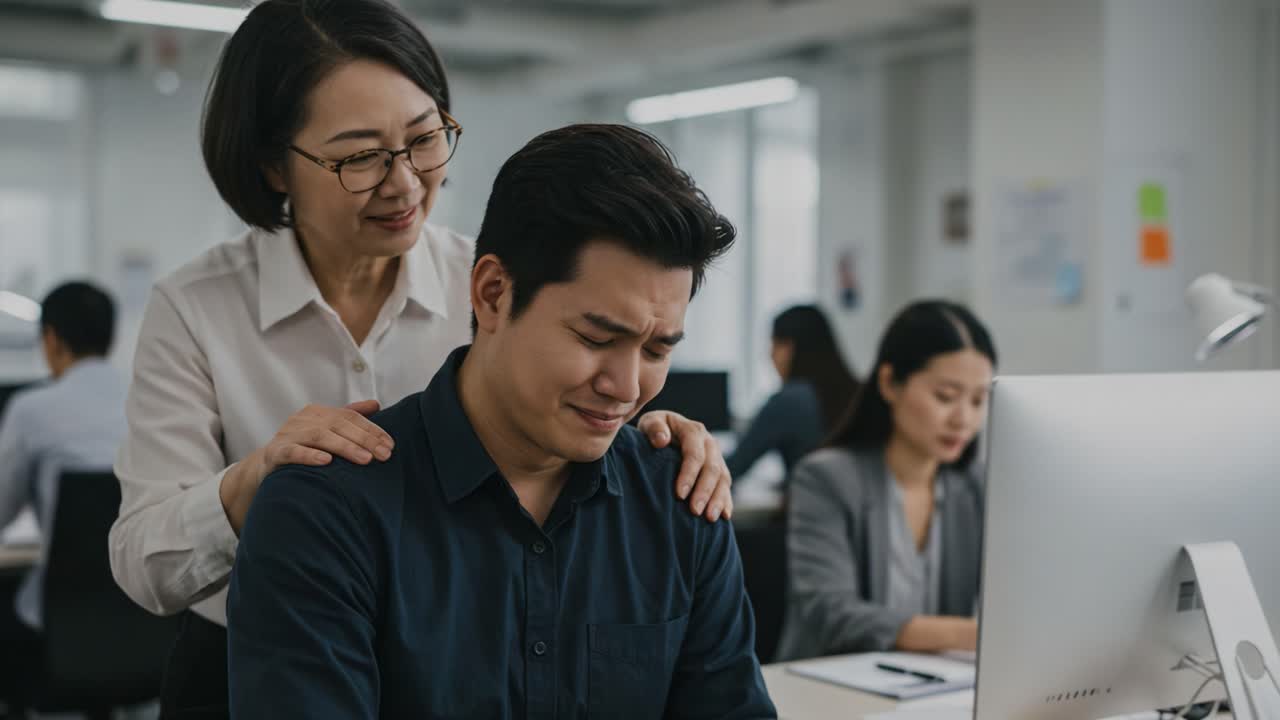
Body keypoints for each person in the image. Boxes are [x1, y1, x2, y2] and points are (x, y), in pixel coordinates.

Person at [107, 2, 733, 716]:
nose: (405, 183)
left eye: (424, 139)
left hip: (464, 661)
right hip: (255, 664)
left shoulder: (501, 283)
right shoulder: (197, 307)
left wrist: (650, 446)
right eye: (360, 157)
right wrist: (259, 481)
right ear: (273, 165)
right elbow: (144, 564)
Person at [226, 124, 776, 718]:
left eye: (657, 350)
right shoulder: (325, 512)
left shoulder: (680, 500)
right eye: (596, 338)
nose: (626, 388)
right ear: (492, 294)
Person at [776, 300, 996, 660]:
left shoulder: (974, 485)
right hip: (831, 678)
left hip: (932, 681)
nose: (963, 419)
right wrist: (973, 634)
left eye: (977, 400)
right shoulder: (826, 478)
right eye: (946, 396)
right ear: (890, 383)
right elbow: (833, 614)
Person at [0, 282, 126, 715]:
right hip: (151, 621)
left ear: (51, 339)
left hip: (55, 634)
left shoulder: (32, 409)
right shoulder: (149, 399)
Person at [726, 304, 859, 479]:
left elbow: (732, 468)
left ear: (789, 348)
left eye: (774, 345)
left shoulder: (788, 401)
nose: (770, 355)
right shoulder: (857, 392)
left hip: (810, 496)